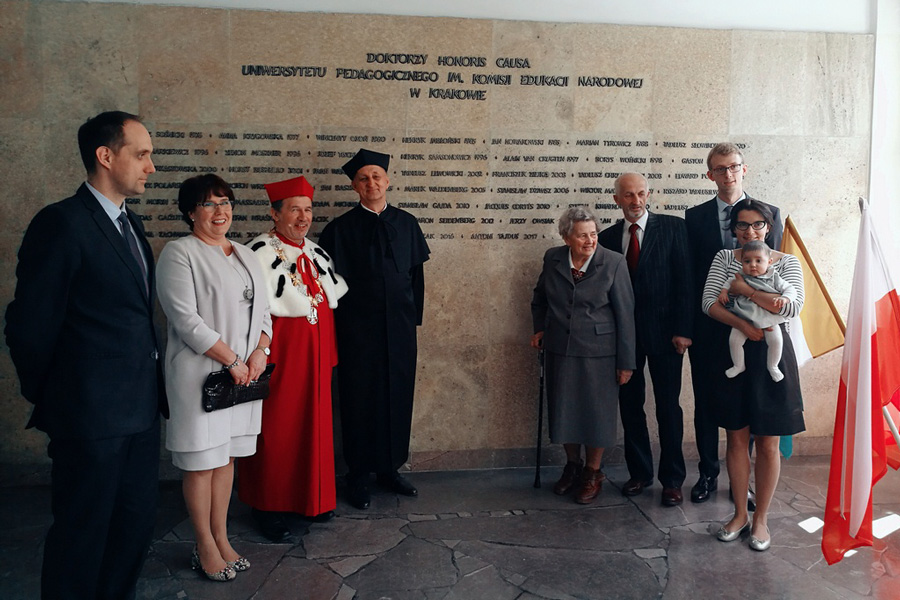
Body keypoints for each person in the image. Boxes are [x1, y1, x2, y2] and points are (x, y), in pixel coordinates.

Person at [4, 111, 167, 599]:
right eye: (141, 154)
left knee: (132, 529)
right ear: (105, 156)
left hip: (140, 414)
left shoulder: (131, 223)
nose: (151, 166)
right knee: (82, 535)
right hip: (88, 419)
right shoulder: (61, 223)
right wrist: (61, 400)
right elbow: (28, 326)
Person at [156, 174, 272, 581]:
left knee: (225, 459)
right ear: (190, 212)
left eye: (225, 202)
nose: (220, 211)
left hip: (241, 378)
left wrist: (260, 351)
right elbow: (186, 320)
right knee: (202, 463)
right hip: (201, 376)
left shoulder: (244, 253)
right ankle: (203, 544)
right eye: (208, 204)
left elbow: (264, 313)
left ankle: (222, 537)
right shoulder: (179, 253)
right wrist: (232, 360)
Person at [318, 149, 430, 510]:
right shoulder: (339, 229)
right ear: (355, 186)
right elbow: (330, 286)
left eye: (377, 177)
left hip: (399, 332)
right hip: (357, 333)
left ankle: (390, 469)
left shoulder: (408, 224)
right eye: (364, 178)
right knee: (359, 399)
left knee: (398, 397)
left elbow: (417, 278)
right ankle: (358, 473)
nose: (371, 183)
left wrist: (412, 320)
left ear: (387, 181)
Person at [237, 175, 348, 541]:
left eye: (308, 210)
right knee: (277, 430)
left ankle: (310, 500)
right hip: (280, 358)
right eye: (295, 210)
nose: (303, 218)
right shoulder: (258, 253)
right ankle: (268, 507)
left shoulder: (316, 253)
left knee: (314, 428)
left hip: (315, 359)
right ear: (274, 212)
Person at [702, 199, 804, 551]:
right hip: (739, 349)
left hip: (773, 356)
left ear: (768, 226)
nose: (750, 232)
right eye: (742, 226)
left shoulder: (786, 262)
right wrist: (746, 322)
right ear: (734, 230)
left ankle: (760, 519)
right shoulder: (723, 259)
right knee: (736, 437)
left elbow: (791, 305)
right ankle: (738, 515)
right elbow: (709, 304)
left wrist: (746, 291)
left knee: (769, 441)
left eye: (757, 224)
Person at [684, 142, 783, 505]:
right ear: (710, 174)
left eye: (734, 167)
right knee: (709, 402)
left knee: (753, 404)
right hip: (711, 327)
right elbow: (691, 277)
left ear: (745, 169)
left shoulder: (770, 213)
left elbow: (778, 270)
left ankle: (748, 483)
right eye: (721, 168)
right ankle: (708, 473)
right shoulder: (694, 217)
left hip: (759, 327)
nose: (728, 174)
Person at [598, 173, 693, 507]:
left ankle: (672, 480)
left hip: (667, 335)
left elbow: (685, 280)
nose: (635, 201)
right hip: (624, 338)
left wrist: (684, 329)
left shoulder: (673, 228)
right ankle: (639, 473)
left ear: (648, 195)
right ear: (617, 200)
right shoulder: (607, 237)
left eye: (640, 194)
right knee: (630, 405)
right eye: (628, 196)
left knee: (669, 407)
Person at [531, 206, 636, 505]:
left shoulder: (613, 262)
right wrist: (539, 329)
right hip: (560, 349)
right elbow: (539, 298)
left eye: (593, 234)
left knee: (596, 415)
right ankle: (572, 466)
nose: (590, 241)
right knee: (564, 411)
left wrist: (626, 362)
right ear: (566, 238)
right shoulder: (553, 259)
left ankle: (593, 472)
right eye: (582, 236)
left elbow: (625, 315)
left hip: (600, 353)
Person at [717, 240, 797, 382]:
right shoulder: (740, 275)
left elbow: (791, 289)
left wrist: (785, 299)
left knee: (776, 341)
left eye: (758, 260)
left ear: (769, 261)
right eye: (747, 261)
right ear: (741, 262)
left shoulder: (774, 277)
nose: (753, 265)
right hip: (744, 316)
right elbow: (728, 283)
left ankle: (773, 366)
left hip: (768, 317)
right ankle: (738, 365)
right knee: (734, 341)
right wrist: (723, 292)